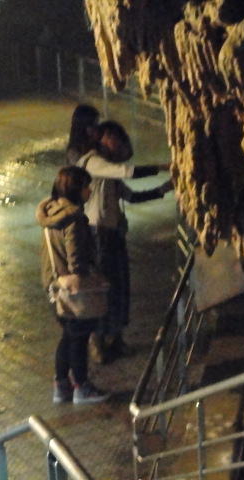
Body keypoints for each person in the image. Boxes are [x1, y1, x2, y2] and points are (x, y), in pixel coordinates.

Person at [78, 121, 173, 363]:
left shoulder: (108, 168)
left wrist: (165, 188)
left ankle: (115, 338)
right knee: (101, 288)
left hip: (112, 233)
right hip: (96, 233)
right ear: (104, 137)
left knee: (119, 286)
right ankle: (97, 341)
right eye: (115, 138)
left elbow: (131, 196)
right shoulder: (93, 162)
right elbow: (127, 172)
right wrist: (163, 167)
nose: (118, 144)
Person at [36, 166, 111, 404]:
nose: (90, 191)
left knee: (68, 336)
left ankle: (61, 386)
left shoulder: (51, 212)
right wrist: (88, 272)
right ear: (76, 189)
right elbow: (76, 259)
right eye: (87, 186)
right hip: (72, 289)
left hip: (53, 284)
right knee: (79, 337)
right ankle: (81, 387)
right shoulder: (74, 219)